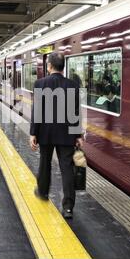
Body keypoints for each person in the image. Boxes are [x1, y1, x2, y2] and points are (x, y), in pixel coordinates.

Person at [29, 52, 83, 219]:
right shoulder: (73, 86)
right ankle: (67, 207)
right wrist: (78, 135)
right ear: (63, 67)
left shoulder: (40, 83)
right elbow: (76, 113)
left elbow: (37, 111)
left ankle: (43, 192)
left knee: (44, 163)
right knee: (67, 169)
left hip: (45, 133)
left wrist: (33, 133)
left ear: (49, 66)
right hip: (66, 135)